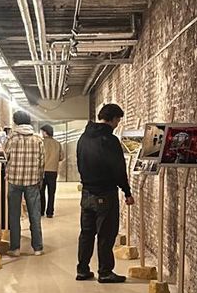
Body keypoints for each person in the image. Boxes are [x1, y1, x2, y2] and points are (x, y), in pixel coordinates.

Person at [75, 102, 133, 282]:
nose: (117, 125)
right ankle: (105, 272)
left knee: (86, 233)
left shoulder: (83, 138)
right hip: (105, 193)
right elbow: (118, 169)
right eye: (118, 121)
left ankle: (82, 270)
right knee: (106, 234)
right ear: (113, 119)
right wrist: (127, 191)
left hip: (87, 192)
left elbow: (79, 162)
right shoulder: (110, 140)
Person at [3, 110, 46, 256]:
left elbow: (4, 157)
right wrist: (40, 178)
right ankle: (38, 248)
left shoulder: (11, 138)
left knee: (14, 215)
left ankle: (15, 248)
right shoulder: (38, 139)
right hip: (32, 181)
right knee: (35, 214)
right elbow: (42, 162)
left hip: (14, 180)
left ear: (15, 122)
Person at [40, 124, 63, 218]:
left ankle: (41, 211)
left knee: (41, 192)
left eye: (42, 132)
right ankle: (50, 212)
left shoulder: (41, 143)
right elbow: (61, 157)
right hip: (53, 171)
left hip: (41, 171)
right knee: (51, 192)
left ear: (45, 132)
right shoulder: (57, 143)